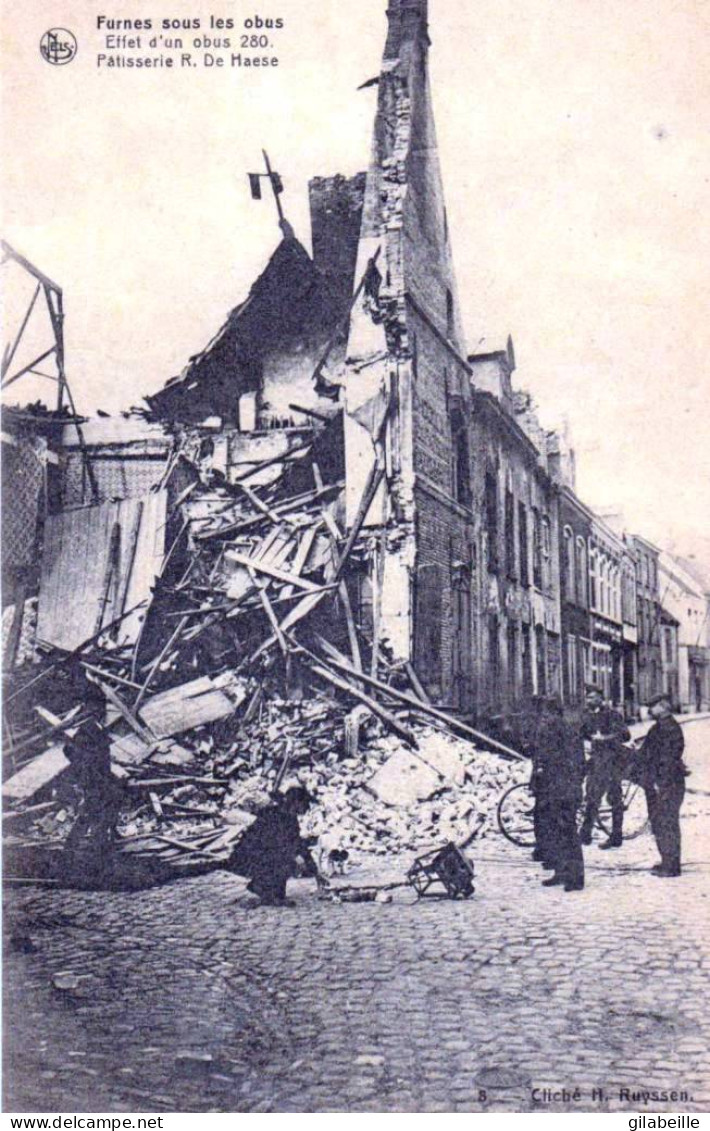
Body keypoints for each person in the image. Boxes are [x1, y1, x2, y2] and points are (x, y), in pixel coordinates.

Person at [226, 786, 323, 905]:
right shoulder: (272, 815)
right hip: (250, 856)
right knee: (286, 858)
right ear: (296, 802)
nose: (307, 808)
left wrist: (315, 872)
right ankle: (261, 887)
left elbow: (297, 843)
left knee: (291, 858)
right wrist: (298, 858)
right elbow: (276, 844)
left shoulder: (290, 819)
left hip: (266, 854)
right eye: (305, 803)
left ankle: (273, 892)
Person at [530, 697, 586, 892]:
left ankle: (576, 878)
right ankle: (561, 873)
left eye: (547, 715)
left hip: (565, 792)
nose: (544, 718)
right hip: (555, 791)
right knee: (557, 832)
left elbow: (576, 765)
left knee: (568, 833)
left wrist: (570, 786)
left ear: (555, 714)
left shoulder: (566, 733)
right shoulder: (554, 732)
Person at [639, 693, 688, 877]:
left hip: (667, 784)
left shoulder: (669, 729)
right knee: (659, 822)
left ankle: (672, 867)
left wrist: (661, 783)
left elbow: (668, 759)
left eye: (653, 706)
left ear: (663, 705)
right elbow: (646, 753)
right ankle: (666, 860)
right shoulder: (658, 728)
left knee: (667, 823)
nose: (650, 710)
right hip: (658, 783)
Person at [63, 698, 121, 853]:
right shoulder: (86, 731)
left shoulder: (97, 729)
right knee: (93, 809)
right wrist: (89, 772)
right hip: (93, 779)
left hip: (101, 777)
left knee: (108, 802)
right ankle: (85, 842)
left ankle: (105, 836)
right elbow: (70, 751)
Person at [579, 684, 631, 849]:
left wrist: (605, 738)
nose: (589, 700)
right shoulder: (587, 716)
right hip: (596, 762)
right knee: (592, 797)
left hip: (613, 762)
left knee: (614, 799)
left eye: (593, 697)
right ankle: (585, 834)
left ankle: (616, 836)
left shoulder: (613, 714)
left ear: (601, 699)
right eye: (588, 698)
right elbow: (582, 733)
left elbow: (624, 735)